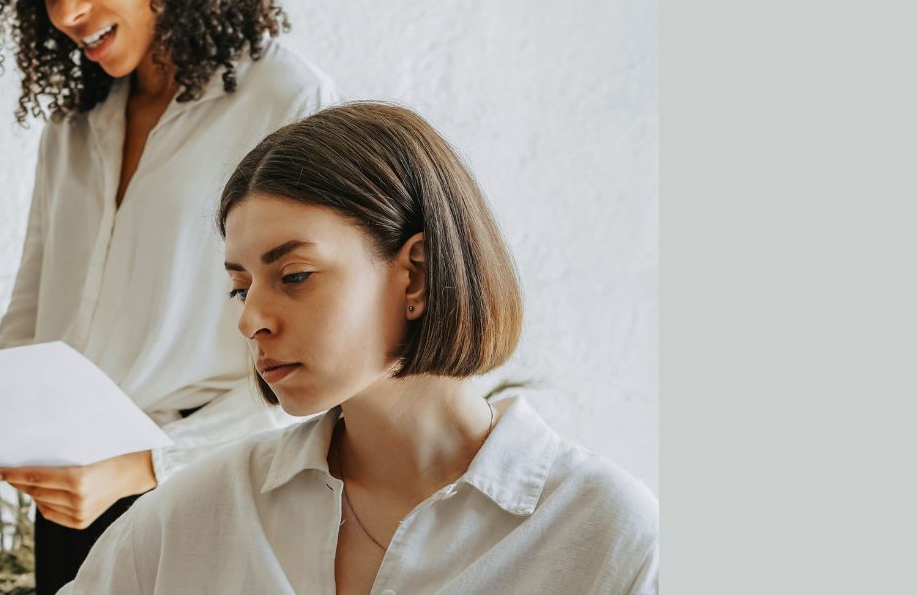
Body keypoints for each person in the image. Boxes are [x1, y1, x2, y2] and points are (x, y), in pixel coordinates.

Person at [61, 102, 659, 594]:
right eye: (239, 288)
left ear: (417, 274)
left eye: (294, 275)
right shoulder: (195, 515)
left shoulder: (604, 531)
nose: (250, 320)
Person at [0, 0, 340, 589]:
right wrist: (0, 431)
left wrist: (144, 465)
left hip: (212, 502)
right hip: (71, 514)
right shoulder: (73, 124)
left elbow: (318, 368)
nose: (67, 9)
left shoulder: (284, 103)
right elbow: (32, 315)